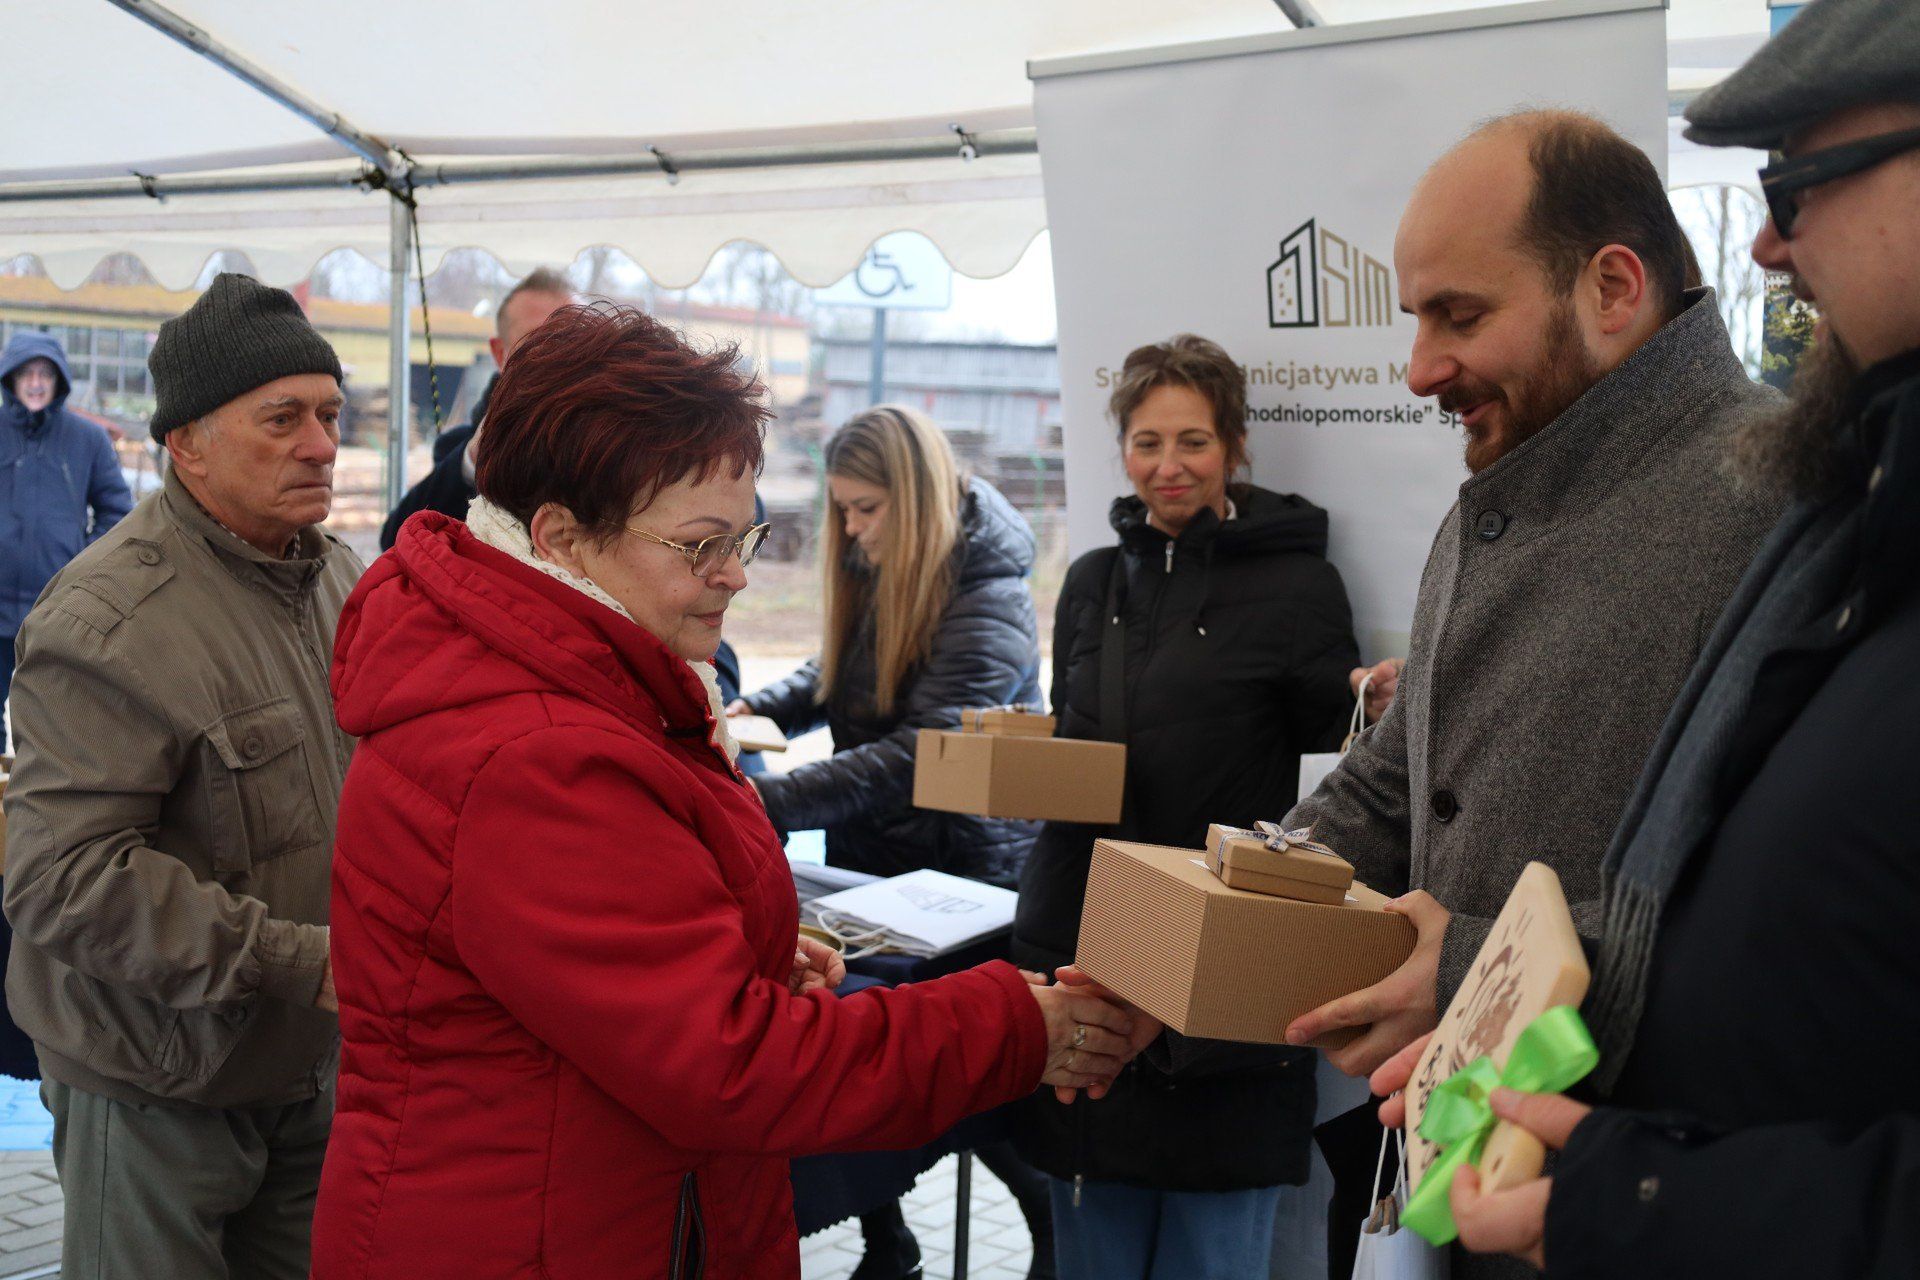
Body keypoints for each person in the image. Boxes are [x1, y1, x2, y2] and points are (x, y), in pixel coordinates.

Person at [313, 303, 1154, 1280]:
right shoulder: (534, 753)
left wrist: (747, 950)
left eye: (742, 539)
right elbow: (734, 1064)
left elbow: (603, 989)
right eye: (699, 545)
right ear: (560, 538)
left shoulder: (554, 686)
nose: (733, 577)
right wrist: (1018, 1023)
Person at [1371, 3, 1920, 1273]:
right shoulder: (1850, 499)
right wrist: (1479, 995)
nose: (1772, 241)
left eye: (1800, 179)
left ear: (1613, 287)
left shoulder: (1766, 494)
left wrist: (1642, 1192)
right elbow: (1731, 902)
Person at [1, 274, 360, 1279]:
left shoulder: (339, 578)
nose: (322, 445)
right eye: (283, 418)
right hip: (154, 1082)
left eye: (331, 415)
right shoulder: (105, 624)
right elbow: (60, 879)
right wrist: (306, 960)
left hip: (308, 1065)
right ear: (185, 441)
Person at [1010, 333, 1361, 1280]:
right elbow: (1068, 739)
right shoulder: (1091, 582)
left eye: (1194, 441)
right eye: (1147, 442)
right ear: (1121, 448)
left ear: (1235, 447)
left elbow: (1345, 758)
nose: (1169, 466)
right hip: (1089, 950)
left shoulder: (1298, 584)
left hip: (1224, 973)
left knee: (1217, 1257)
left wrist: (1383, 690)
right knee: (1094, 1250)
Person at [731, 404, 1052, 1278]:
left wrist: (766, 804)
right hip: (873, 858)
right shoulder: (883, 565)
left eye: (865, 509)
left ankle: (1048, 1230)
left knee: (974, 1089)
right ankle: (887, 1239)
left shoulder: (990, 592)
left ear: (913, 501)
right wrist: (761, 710)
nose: (849, 528)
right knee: (877, 1071)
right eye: (841, 509)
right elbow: (834, 677)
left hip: (962, 870)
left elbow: (927, 749)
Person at [377, 266, 578, 550]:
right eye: (537, 342)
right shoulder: (462, 451)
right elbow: (396, 540)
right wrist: (473, 459)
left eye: (573, 339)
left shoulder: (623, 434)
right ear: (500, 353)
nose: (559, 356)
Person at [0, 332, 134, 752]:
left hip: (55, 609)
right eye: (27, 373)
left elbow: (117, 512)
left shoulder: (87, 439)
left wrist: (79, 565)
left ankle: (40, 811)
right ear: (11, 378)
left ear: (58, 380)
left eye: (45, 373)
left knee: (49, 724)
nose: (36, 382)